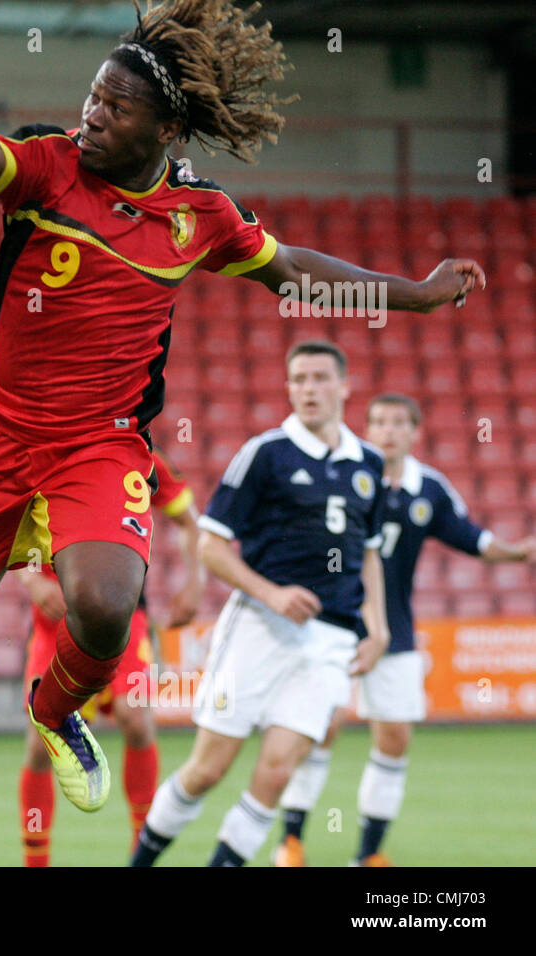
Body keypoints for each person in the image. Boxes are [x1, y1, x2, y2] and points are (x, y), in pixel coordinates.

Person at [0, 2, 484, 814]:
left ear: (166, 129)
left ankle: (55, 710)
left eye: (114, 106)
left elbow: (294, 273)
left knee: (104, 608)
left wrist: (414, 296)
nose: (91, 115)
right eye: (92, 98)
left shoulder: (199, 216)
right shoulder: (47, 167)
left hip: (100, 444)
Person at [129, 341, 388, 866]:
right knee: (207, 770)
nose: (308, 389)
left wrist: (377, 628)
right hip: (260, 629)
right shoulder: (266, 453)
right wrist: (272, 593)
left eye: (319, 378)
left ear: (344, 386)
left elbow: (369, 552)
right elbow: (210, 545)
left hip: (332, 640)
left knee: (275, 775)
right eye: (298, 379)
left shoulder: (370, 464)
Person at [272, 393, 536, 867]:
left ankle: (368, 854)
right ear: (367, 428)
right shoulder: (346, 474)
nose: (388, 430)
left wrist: (518, 551)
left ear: (414, 432)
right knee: (321, 727)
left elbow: (471, 537)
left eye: (398, 422)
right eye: (378, 421)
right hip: (334, 624)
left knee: (394, 737)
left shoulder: (428, 488)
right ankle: (290, 843)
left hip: (394, 629)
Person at [19, 446, 203, 865]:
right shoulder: (40, 449)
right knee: (39, 743)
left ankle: (142, 851)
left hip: (125, 613)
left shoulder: (139, 453)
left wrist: (194, 584)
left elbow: (188, 521)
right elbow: (7, 526)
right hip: (54, 620)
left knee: (135, 717)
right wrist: (32, 580)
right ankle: (36, 861)